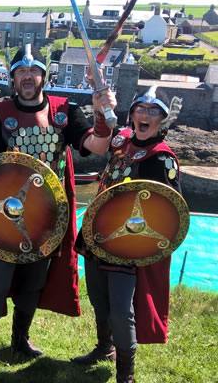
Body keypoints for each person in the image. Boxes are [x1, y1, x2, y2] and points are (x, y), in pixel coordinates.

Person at [0, 44, 116, 382]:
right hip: (3, 215)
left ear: (43, 76)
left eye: (34, 71)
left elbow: (98, 146)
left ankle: (20, 339)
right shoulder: (0, 114)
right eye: (21, 71)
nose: (28, 76)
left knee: (33, 283)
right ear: (13, 77)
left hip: (47, 217)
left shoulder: (64, 112)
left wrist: (101, 113)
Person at [72, 86, 182, 383]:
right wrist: (100, 107)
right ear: (132, 114)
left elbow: (170, 211)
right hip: (99, 235)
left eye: (153, 111)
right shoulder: (121, 140)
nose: (145, 115)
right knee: (99, 298)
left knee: (121, 310)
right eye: (141, 109)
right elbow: (103, 129)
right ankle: (104, 348)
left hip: (130, 245)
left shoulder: (162, 159)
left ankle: (125, 375)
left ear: (163, 120)